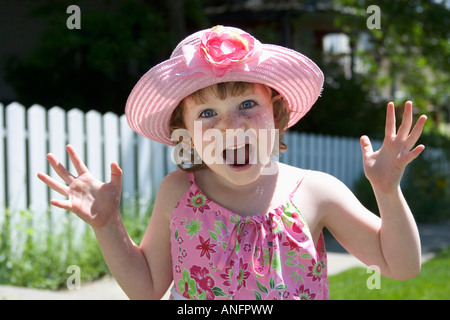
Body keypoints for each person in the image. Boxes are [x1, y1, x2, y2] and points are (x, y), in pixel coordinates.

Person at [38, 26, 427, 300]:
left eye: (246, 105)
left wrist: (387, 192)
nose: (230, 125)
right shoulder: (178, 192)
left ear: (276, 116)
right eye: (207, 114)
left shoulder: (315, 191)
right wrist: (108, 225)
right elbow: (146, 289)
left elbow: (402, 266)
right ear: (186, 135)